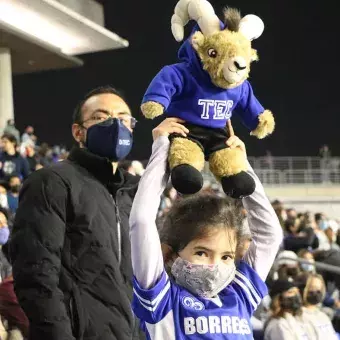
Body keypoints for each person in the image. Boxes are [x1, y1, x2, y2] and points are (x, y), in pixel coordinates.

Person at [8, 86, 143, 340]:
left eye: (123, 118)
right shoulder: (51, 182)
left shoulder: (135, 191)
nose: (115, 125)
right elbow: (36, 277)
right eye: (101, 117)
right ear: (78, 132)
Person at [129, 118, 283, 339]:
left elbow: (270, 235)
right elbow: (142, 221)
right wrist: (163, 148)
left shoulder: (239, 294)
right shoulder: (162, 301)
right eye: (202, 252)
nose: (215, 267)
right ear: (169, 254)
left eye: (226, 257)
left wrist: (239, 165)